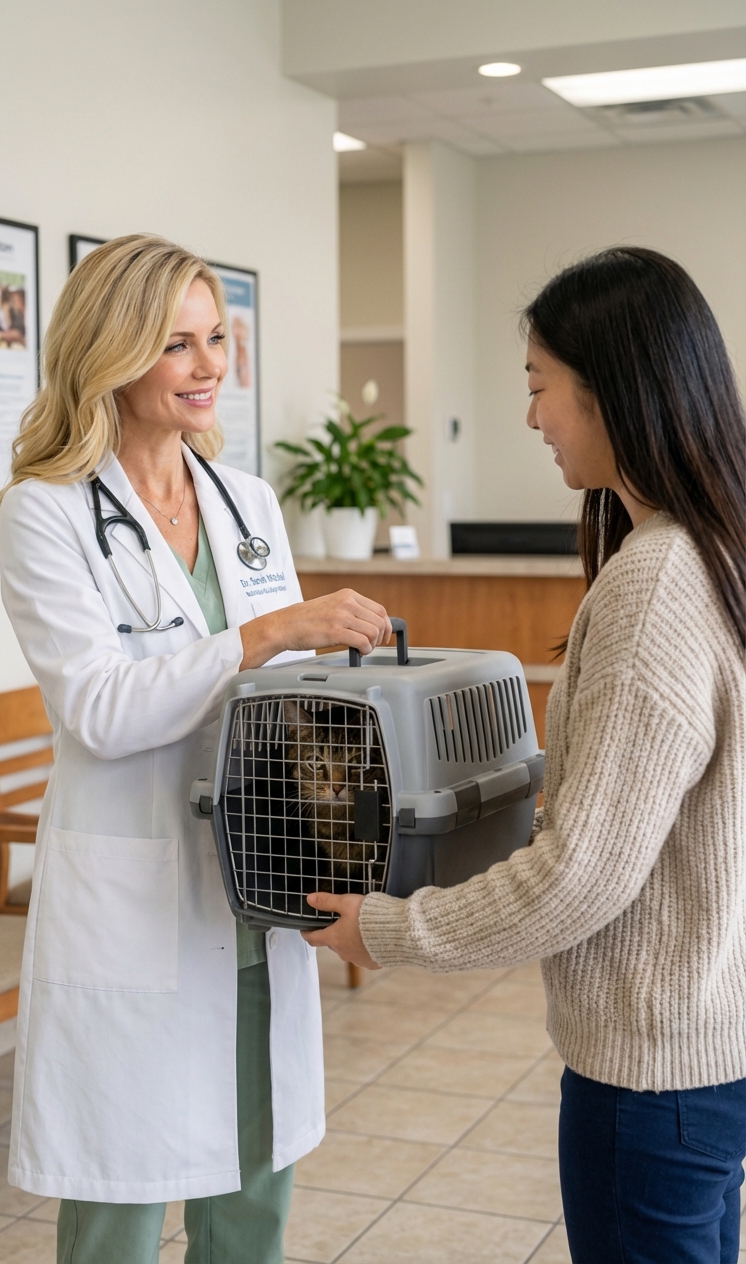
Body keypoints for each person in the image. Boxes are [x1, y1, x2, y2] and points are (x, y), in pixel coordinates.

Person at [305, 247, 746, 1264]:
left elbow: (579, 879)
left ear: (610, 392)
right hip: (708, 1051)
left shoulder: (654, 586)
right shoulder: (716, 550)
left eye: (538, 385)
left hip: (650, 1082)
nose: (530, 415)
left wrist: (390, 928)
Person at [0, 234, 391, 1264]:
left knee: (255, 1190)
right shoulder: (49, 513)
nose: (210, 363)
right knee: (118, 1204)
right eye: (178, 342)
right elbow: (98, 708)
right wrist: (264, 633)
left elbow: (286, 697)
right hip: (134, 902)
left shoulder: (247, 504)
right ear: (113, 353)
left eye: (217, 337)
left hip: (255, 885)